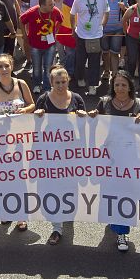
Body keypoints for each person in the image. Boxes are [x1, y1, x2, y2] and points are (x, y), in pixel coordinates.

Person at [88, 71, 140, 252]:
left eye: (123, 84)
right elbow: (93, 124)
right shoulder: (104, 103)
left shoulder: (139, 105)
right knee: (110, 193)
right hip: (108, 158)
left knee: (125, 194)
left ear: (130, 86)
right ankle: (115, 220)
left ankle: (122, 233)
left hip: (130, 158)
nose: (120, 88)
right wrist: (90, 116)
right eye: (117, 85)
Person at [34, 64, 86, 245]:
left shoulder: (77, 99)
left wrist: (85, 118)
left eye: (64, 82)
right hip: (50, 156)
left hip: (71, 154)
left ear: (68, 81)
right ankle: (57, 227)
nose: (61, 85)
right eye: (57, 82)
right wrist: (37, 117)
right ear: (51, 82)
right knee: (52, 189)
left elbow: (84, 128)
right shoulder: (43, 99)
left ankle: (67, 214)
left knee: (70, 189)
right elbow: (35, 130)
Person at [70, 0, 109, 95]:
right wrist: (73, 29)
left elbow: (107, 12)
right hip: (81, 35)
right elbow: (72, 15)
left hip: (96, 36)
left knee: (95, 62)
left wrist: (102, 25)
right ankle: (80, 78)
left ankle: (92, 85)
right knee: (80, 60)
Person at [20, 0, 62, 93]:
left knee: (48, 67)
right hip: (35, 45)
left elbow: (60, 20)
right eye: (50, 4)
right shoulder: (32, 12)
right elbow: (21, 20)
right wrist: (25, 35)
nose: (53, 5)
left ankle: (47, 87)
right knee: (37, 67)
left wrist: (55, 31)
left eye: (53, 3)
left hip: (50, 45)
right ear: (42, 6)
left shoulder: (55, 11)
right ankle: (37, 85)